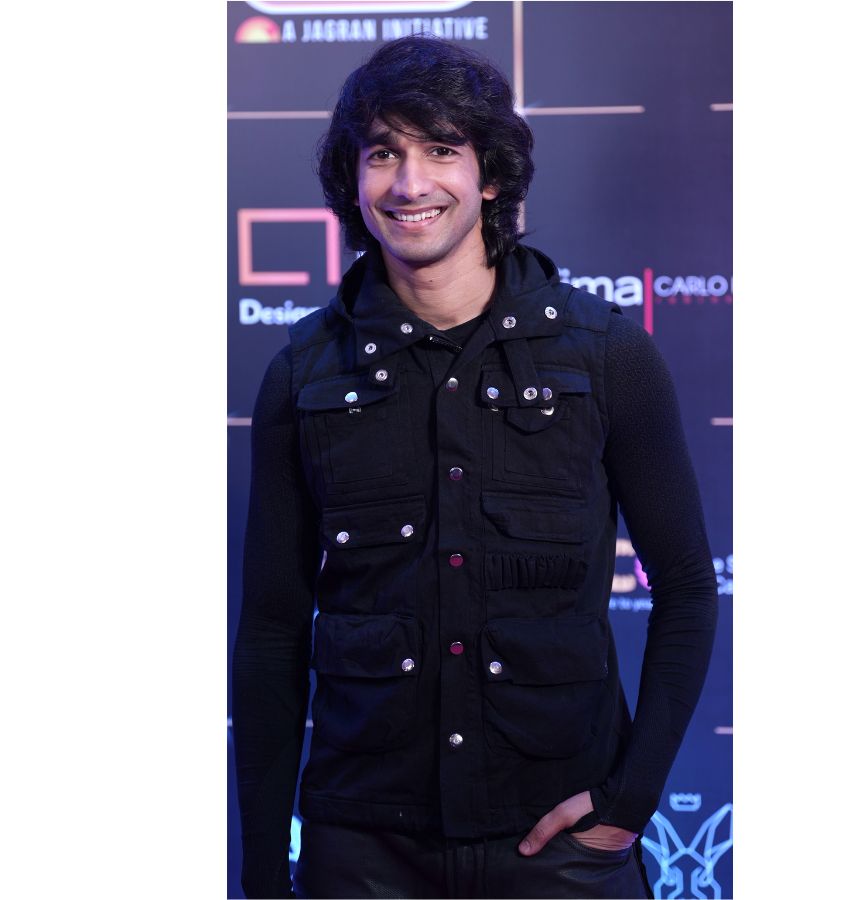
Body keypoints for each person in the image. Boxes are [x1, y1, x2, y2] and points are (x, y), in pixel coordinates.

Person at [232, 35, 718, 899]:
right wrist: (265, 873)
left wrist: (627, 805)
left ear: (490, 176)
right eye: (383, 153)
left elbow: (684, 586)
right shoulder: (301, 375)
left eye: (440, 150)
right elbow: (273, 632)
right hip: (362, 856)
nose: (409, 183)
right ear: (353, 179)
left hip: (561, 852)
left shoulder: (607, 355)